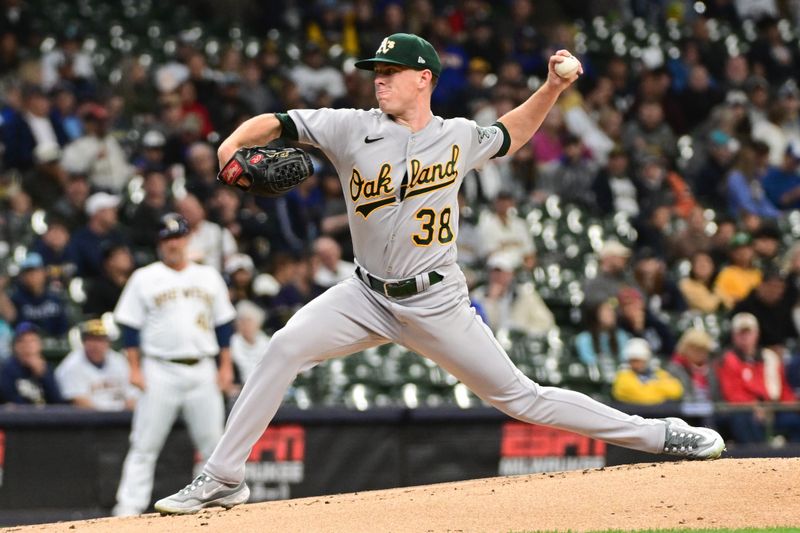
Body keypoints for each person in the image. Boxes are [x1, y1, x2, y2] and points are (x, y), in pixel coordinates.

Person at [154, 33, 724, 515]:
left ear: (423, 77)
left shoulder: (455, 136)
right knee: (282, 347)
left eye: (391, 71)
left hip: (436, 300)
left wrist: (552, 88)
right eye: (375, 71)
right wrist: (233, 142)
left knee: (520, 398)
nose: (379, 79)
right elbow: (277, 122)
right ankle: (225, 478)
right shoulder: (351, 126)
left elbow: (509, 133)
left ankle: (659, 434)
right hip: (365, 294)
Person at [111, 213, 236, 516]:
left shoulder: (208, 276)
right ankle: (127, 508)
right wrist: (135, 367)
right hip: (159, 369)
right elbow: (129, 326)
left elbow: (223, 324)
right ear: (160, 244)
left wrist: (225, 366)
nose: (173, 243)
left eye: (178, 237)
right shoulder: (145, 277)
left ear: (187, 239)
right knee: (144, 444)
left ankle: (213, 500)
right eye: (167, 239)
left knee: (213, 446)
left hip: (203, 368)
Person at [717, 312, 800, 444]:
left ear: (757, 334)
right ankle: (757, 458)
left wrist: (792, 405)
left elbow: (783, 389)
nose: (745, 337)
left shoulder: (769, 357)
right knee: (743, 419)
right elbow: (732, 393)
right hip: (747, 411)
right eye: (741, 333)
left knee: (795, 421)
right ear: (734, 336)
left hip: (774, 409)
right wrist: (754, 406)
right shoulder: (728, 360)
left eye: (748, 333)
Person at [55, 319, 136, 410]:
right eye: (92, 340)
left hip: (121, 417)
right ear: (83, 342)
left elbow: (133, 397)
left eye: (100, 340)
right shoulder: (71, 366)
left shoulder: (119, 361)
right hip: (89, 420)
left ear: (108, 343)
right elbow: (79, 402)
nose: (96, 345)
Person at [0, 322, 64, 404]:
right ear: (15, 347)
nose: (28, 346)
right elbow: (11, 401)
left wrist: (43, 376)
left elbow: (57, 402)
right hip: (21, 416)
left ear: (39, 345)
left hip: (46, 416)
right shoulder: (7, 371)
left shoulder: (46, 369)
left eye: (32, 341)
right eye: (22, 341)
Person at [611, 338, 684, 405]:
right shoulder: (623, 376)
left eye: (640, 360)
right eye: (633, 361)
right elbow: (642, 396)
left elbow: (677, 390)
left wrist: (649, 388)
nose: (637, 364)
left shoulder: (658, 372)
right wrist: (658, 388)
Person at [667, 328, 718, 403]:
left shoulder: (711, 369)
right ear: (685, 349)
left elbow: (716, 396)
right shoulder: (675, 369)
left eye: (703, 349)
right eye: (695, 349)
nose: (699, 353)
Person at [230, 300, 270, 386]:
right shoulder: (233, 343)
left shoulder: (266, 342)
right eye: (242, 321)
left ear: (258, 323)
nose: (245, 325)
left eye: (249, 321)